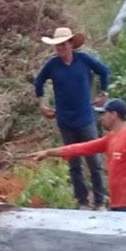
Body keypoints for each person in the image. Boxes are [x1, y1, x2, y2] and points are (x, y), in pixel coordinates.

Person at [29, 99, 126, 212]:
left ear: (114, 115)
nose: (101, 118)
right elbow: (82, 148)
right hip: (118, 203)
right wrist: (48, 153)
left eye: (104, 114)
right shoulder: (112, 137)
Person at [34, 26, 110, 210]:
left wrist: (104, 92)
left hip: (86, 118)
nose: (60, 48)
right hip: (65, 121)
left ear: (70, 44)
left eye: (63, 44)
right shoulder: (52, 65)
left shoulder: (83, 60)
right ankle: (82, 201)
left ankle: (100, 201)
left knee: (94, 162)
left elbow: (104, 71)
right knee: (73, 163)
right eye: (57, 45)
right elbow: (39, 81)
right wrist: (42, 104)